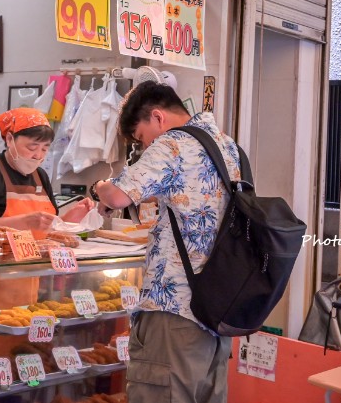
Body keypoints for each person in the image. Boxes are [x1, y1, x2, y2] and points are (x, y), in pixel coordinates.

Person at [92, 81, 236, 403]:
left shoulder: (173, 144)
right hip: (217, 312)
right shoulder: (227, 146)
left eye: (142, 138)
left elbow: (116, 196)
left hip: (175, 311)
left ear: (157, 118)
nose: (144, 148)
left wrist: (98, 187)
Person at [0, 107, 93, 234]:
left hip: (40, 253)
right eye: (32, 147)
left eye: (44, 149)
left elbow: (47, 229)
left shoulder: (40, 175)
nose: (38, 155)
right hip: (4, 253)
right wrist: (24, 222)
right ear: (10, 140)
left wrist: (69, 218)